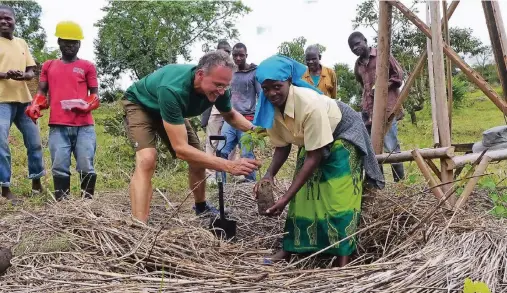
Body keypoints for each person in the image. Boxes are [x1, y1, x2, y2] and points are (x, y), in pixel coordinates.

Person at [252, 55, 384, 267]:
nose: (271, 93)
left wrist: (284, 198)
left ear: (288, 82)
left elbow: (315, 156)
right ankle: (290, 248)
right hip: (312, 140)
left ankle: (343, 255)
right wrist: (269, 175)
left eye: (277, 86)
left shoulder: (309, 104)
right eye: (266, 89)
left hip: (344, 132)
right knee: (304, 194)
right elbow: (283, 145)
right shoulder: (269, 106)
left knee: (338, 195)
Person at [122, 50, 261, 224]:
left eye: (225, 86)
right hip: (141, 104)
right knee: (147, 160)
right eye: (218, 85)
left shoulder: (221, 88)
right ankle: (139, 226)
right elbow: (181, 149)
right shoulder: (173, 88)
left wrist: (256, 131)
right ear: (200, 75)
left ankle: (201, 207)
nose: (222, 91)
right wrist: (228, 165)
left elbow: (230, 115)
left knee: (197, 158)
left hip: (172, 111)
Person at [26, 21, 100, 201]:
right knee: (59, 165)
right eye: (66, 41)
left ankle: (87, 203)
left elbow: (95, 95)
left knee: (85, 165)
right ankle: (63, 204)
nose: (70, 45)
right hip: (58, 126)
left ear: (79, 44)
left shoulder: (87, 66)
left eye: (74, 42)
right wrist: (36, 104)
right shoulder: (49, 66)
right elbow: (42, 91)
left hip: (84, 126)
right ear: (59, 42)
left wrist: (87, 104)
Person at [0, 5, 45, 202]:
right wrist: (5, 74)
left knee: (34, 142)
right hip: (1, 101)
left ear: (14, 21)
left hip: (24, 101)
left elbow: (31, 70)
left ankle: (37, 183)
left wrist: (22, 76)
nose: (4, 22)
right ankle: (5, 189)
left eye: (8, 18)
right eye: (0, 19)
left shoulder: (21, 43)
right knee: (1, 145)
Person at [348, 31, 405, 182]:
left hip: (387, 109)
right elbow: (364, 88)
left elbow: (399, 76)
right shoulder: (358, 65)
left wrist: (382, 86)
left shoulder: (382, 55)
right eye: (352, 47)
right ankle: (378, 186)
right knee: (372, 149)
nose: (355, 48)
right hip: (369, 112)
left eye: (357, 44)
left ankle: (401, 185)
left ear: (365, 41)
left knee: (391, 147)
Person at [218, 43, 260, 182]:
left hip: (248, 118)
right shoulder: (229, 72)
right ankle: (221, 187)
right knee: (220, 151)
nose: (238, 58)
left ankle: (250, 186)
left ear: (246, 56)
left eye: (241, 55)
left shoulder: (254, 72)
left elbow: (261, 96)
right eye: (235, 55)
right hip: (230, 119)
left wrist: (259, 121)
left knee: (247, 155)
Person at [201, 40, 236, 183]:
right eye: (223, 51)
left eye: (228, 52)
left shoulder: (233, 69)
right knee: (212, 141)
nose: (226, 54)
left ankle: (230, 170)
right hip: (214, 110)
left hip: (231, 110)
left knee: (230, 142)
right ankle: (209, 175)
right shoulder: (209, 68)